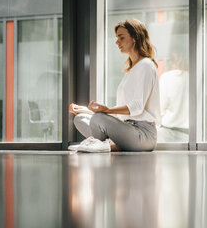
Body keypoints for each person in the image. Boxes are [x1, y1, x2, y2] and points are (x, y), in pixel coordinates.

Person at [69, 18, 161, 152]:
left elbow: (137, 107)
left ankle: (101, 144)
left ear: (135, 38)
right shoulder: (132, 69)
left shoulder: (146, 65)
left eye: (121, 38)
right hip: (127, 128)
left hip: (143, 135)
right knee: (80, 118)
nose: (117, 42)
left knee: (98, 118)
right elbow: (122, 116)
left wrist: (106, 110)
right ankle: (107, 144)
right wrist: (87, 110)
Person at [157, 51, 189, 143]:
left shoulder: (166, 77)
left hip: (167, 131)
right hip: (188, 133)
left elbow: (161, 106)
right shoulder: (191, 77)